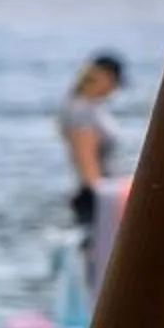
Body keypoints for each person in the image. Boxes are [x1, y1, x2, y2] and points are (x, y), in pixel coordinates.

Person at [55, 51, 127, 297]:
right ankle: (96, 316)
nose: (114, 90)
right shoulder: (82, 111)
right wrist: (105, 195)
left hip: (104, 191)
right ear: (105, 78)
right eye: (114, 83)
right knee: (100, 261)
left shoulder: (86, 107)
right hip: (97, 195)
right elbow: (87, 163)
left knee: (100, 260)